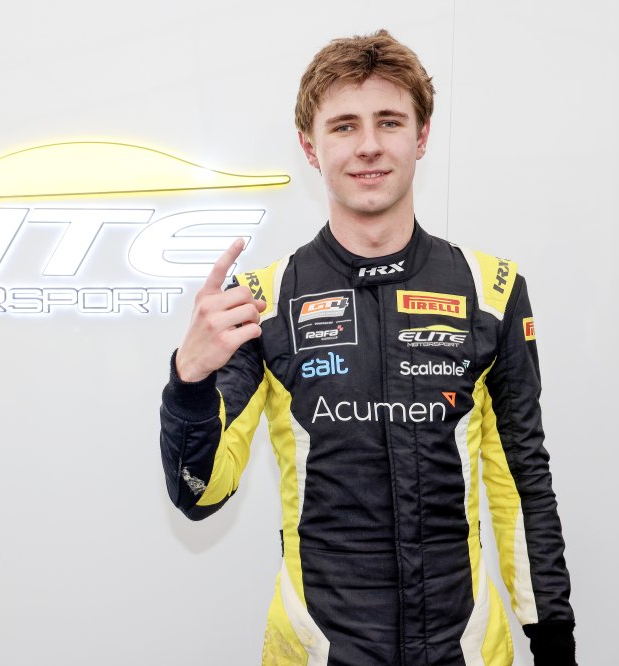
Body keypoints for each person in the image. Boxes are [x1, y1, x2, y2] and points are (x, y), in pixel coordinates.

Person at [159, 29, 576, 666]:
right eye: (344, 126)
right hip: (315, 650)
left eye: (389, 121)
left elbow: (523, 481)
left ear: (422, 135)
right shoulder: (262, 301)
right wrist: (187, 382)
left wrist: (553, 637)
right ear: (310, 147)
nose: (369, 145)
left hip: (465, 649)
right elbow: (199, 493)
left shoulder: (491, 290)